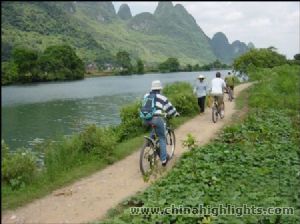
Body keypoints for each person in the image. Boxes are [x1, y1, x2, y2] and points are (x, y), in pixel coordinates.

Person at [142, 80, 179, 166]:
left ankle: (149, 143)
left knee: (154, 127)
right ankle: (163, 160)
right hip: (157, 118)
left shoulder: (146, 95)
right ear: (159, 89)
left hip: (145, 118)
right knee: (162, 137)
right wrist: (175, 114)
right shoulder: (162, 97)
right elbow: (170, 108)